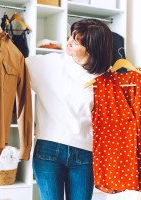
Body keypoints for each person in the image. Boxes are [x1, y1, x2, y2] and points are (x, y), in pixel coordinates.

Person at [25, 19, 113, 200]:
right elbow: (13, 64)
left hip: (85, 154)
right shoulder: (49, 63)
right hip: (48, 151)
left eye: (77, 41)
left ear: (92, 48)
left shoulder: (105, 79)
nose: (69, 42)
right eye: (71, 36)